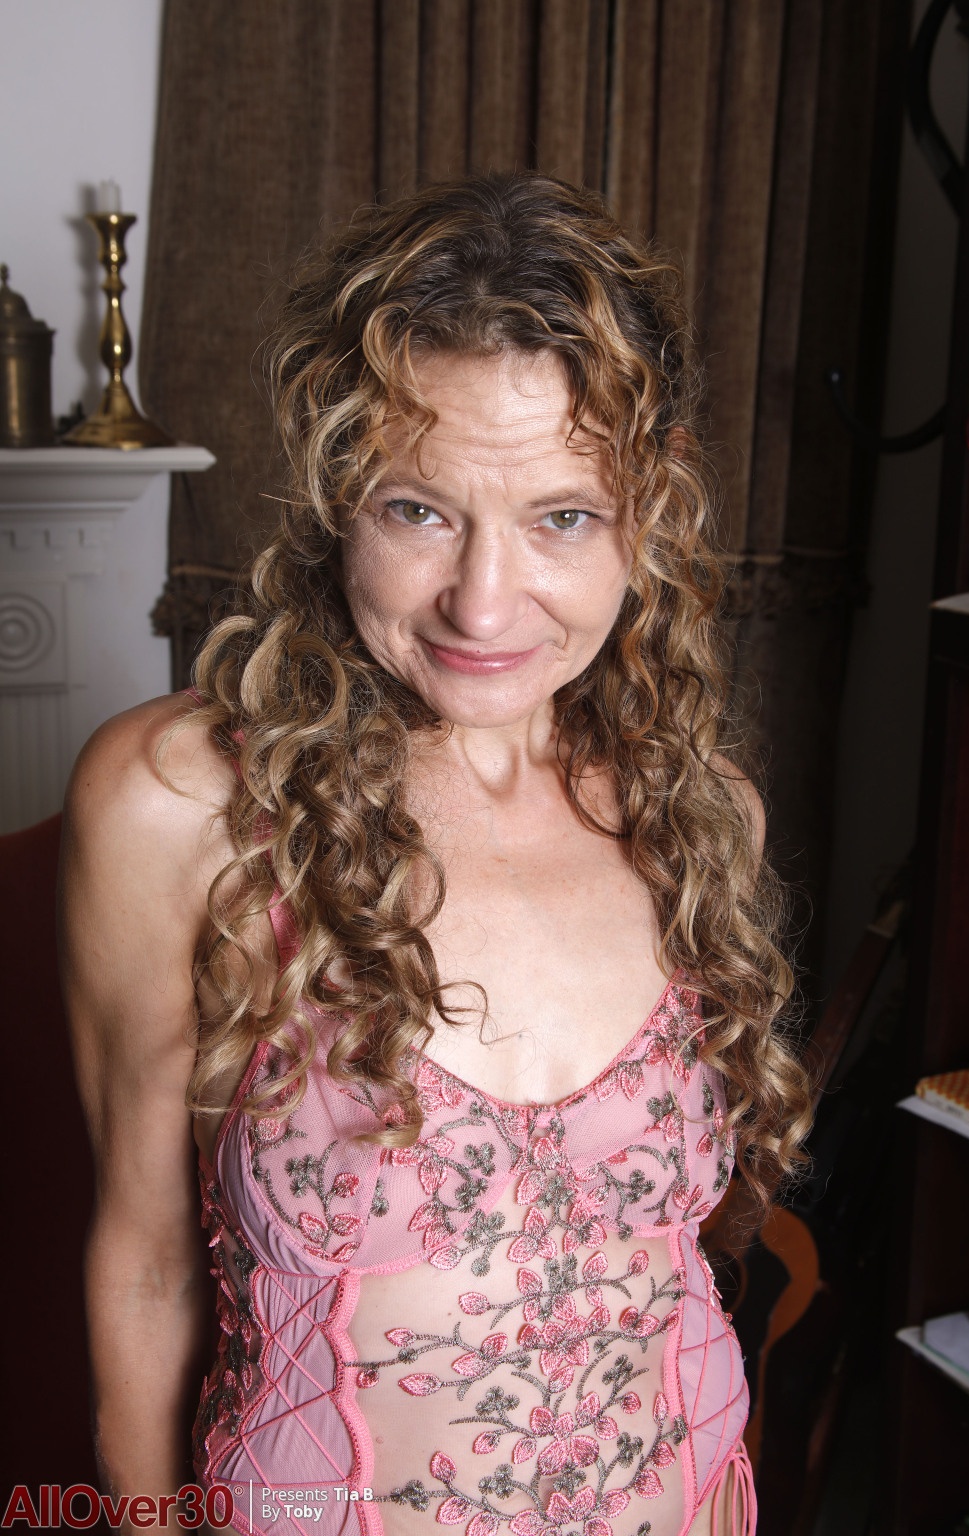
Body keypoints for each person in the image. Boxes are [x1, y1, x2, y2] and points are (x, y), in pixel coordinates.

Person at [59, 172, 812, 1536]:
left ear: (650, 508)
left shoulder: (702, 816)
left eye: (563, 517)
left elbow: (671, 1270)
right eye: (419, 510)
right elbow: (145, 1268)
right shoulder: (181, 808)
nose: (482, 602)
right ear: (337, 491)